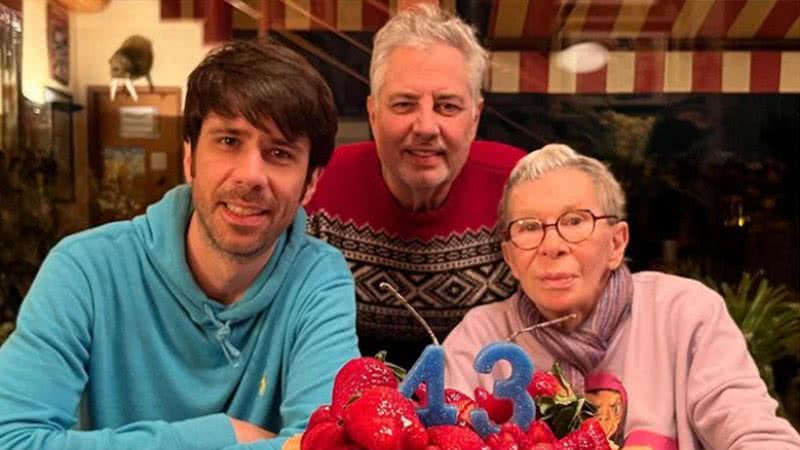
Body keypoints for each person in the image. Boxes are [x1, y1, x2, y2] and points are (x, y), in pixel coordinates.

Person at [0, 40, 359, 450]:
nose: (250, 175)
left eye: (279, 153)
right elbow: (12, 439)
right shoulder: (83, 270)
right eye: (228, 141)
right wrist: (218, 433)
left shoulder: (320, 279)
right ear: (189, 156)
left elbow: (326, 447)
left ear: (311, 182)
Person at [443, 144, 800, 449]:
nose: (552, 246)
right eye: (529, 227)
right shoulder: (480, 338)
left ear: (616, 243)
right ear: (509, 257)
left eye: (574, 221)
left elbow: (753, 431)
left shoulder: (685, 313)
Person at [305, 4, 526, 369]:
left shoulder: (520, 191)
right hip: (347, 404)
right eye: (404, 104)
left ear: (475, 118)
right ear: (374, 115)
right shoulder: (317, 192)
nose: (425, 126)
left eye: (447, 106)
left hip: (484, 408)